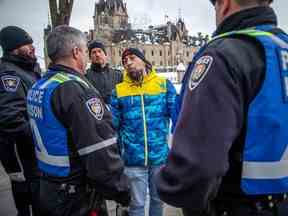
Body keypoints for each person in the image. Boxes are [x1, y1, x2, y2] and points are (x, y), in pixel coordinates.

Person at [156, 0, 288, 215]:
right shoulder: (280, 46)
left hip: (238, 205)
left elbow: (195, 170)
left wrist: (166, 183)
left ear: (224, 4)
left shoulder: (224, 55)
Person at [26, 25, 130, 216]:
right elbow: (98, 151)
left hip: (48, 186)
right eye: (84, 51)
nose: (87, 57)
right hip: (74, 195)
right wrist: (123, 193)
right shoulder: (74, 90)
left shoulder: (39, 86)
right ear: (76, 52)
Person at [111, 48, 177, 216]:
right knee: (137, 205)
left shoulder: (163, 85)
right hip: (133, 159)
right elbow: (113, 126)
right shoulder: (118, 91)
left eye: (132, 58)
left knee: (157, 200)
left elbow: (178, 116)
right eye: (125, 61)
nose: (128, 63)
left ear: (144, 60)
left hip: (159, 157)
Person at [0, 26, 41, 216]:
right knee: (29, 202)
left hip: (33, 154)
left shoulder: (28, 69)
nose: (32, 47)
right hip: (23, 154)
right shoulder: (9, 74)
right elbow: (11, 119)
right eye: (27, 44)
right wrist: (40, 139)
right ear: (14, 48)